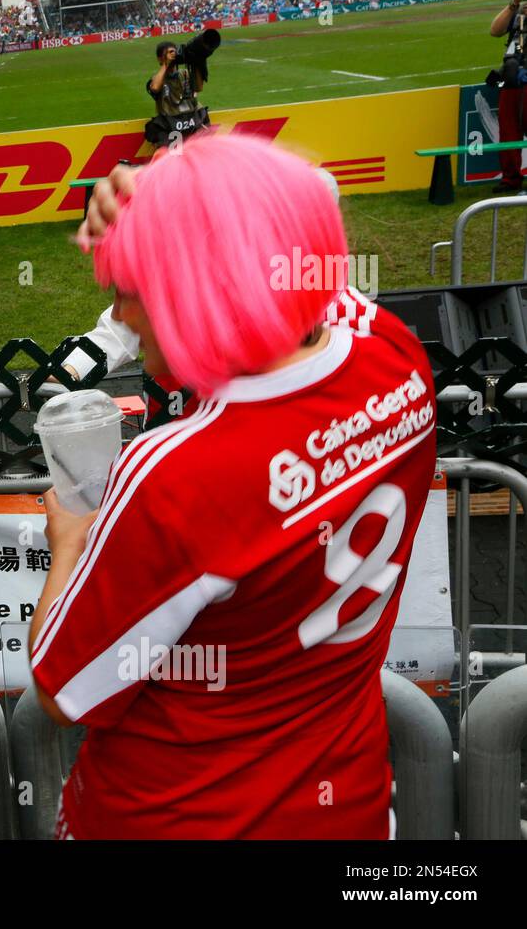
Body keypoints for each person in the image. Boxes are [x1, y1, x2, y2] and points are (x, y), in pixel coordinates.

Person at [29, 134, 437, 839]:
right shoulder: (393, 353)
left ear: (202, 292)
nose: (121, 317)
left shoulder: (175, 473)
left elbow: (64, 687)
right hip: (346, 807)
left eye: (131, 290)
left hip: (177, 814)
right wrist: (174, 192)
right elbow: (303, 218)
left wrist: (69, 540)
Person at [490, 0, 527, 193]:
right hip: (512, 77)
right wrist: (513, 4)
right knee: (509, 131)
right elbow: (495, 30)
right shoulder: (517, 12)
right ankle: (511, 178)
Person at [144, 39, 210, 149]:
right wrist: (165, 64)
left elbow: (199, 87)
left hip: (191, 122)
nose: (173, 54)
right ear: (159, 58)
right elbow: (155, 88)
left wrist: (198, 61)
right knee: (173, 158)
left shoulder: (185, 73)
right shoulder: (157, 79)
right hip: (170, 126)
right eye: (169, 52)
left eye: (174, 51)